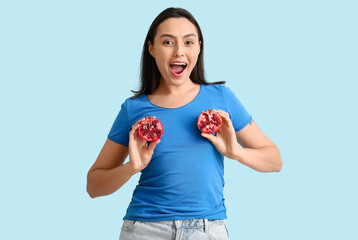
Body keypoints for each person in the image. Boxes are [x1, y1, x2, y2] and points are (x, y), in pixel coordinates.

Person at [86, 7, 282, 240]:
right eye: (168, 42)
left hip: (207, 229)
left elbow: (275, 160)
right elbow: (94, 186)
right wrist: (131, 167)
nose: (179, 51)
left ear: (199, 47)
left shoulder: (221, 98)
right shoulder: (134, 108)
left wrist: (235, 152)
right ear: (151, 48)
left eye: (188, 42)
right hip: (144, 230)